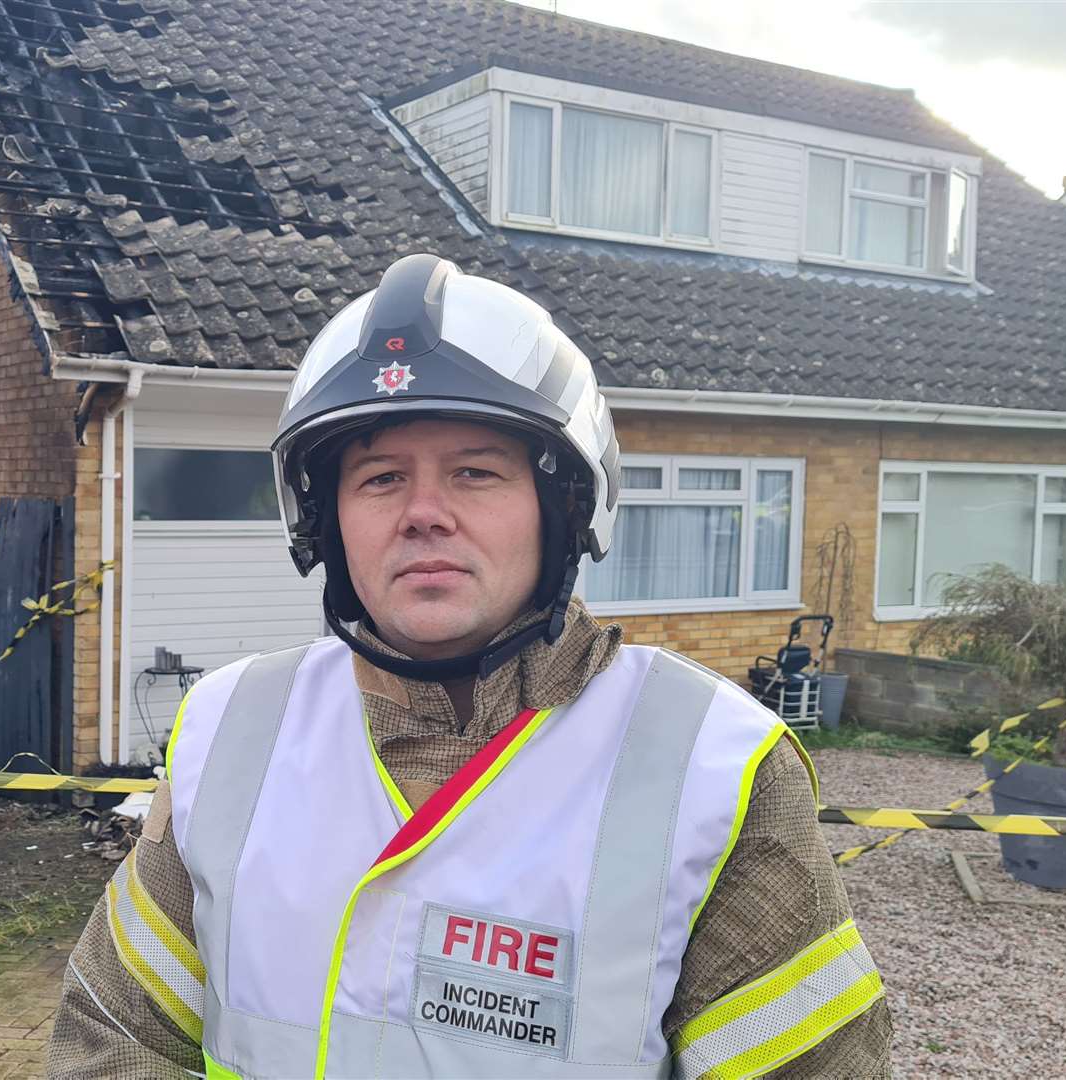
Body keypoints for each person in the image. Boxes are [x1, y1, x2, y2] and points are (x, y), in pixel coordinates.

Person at [48, 254, 892, 1078]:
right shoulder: (229, 727)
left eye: (474, 473)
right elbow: (116, 1035)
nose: (423, 514)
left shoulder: (713, 765)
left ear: (562, 507)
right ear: (326, 521)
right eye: (379, 478)